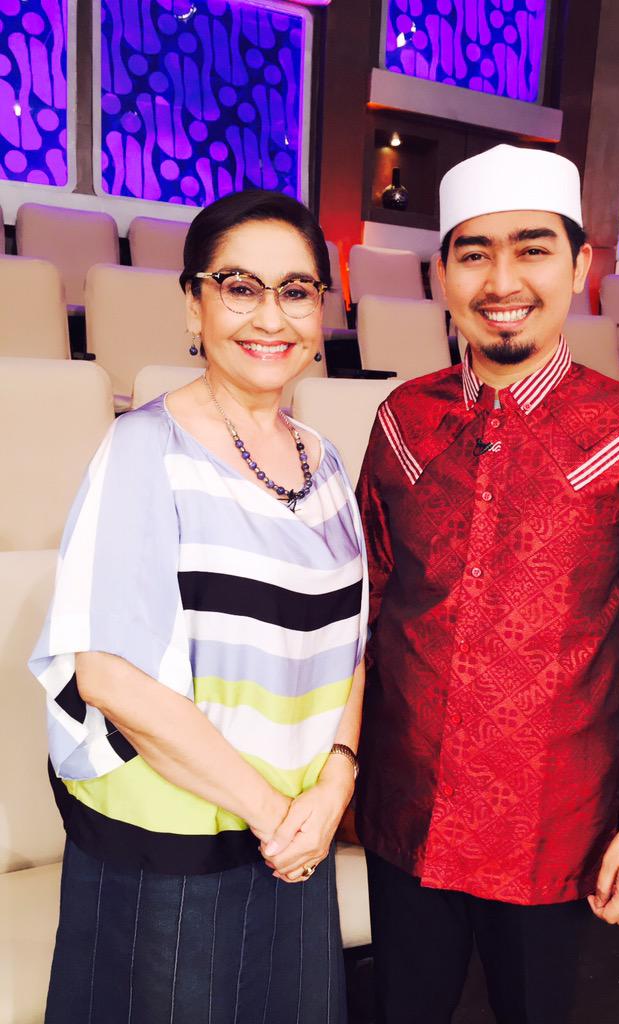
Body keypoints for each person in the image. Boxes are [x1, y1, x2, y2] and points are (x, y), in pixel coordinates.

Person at [354, 145, 619, 1024]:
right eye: (474, 253)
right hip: (405, 804)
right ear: (441, 274)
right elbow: (366, 605)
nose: (501, 281)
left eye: (532, 249)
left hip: (550, 824)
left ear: (580, 264)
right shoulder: (403, 421)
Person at [30, 189, 366, 1024]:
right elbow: (109, 676)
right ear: (194, 304)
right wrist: (274, 816)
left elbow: (353, 646)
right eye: (240, 287)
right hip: (175, 849)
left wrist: (335, 782)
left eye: (296, 290)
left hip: (296, 834)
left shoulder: (324, 462)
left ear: (320, 311)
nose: (271, 316)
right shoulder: (145, 449)